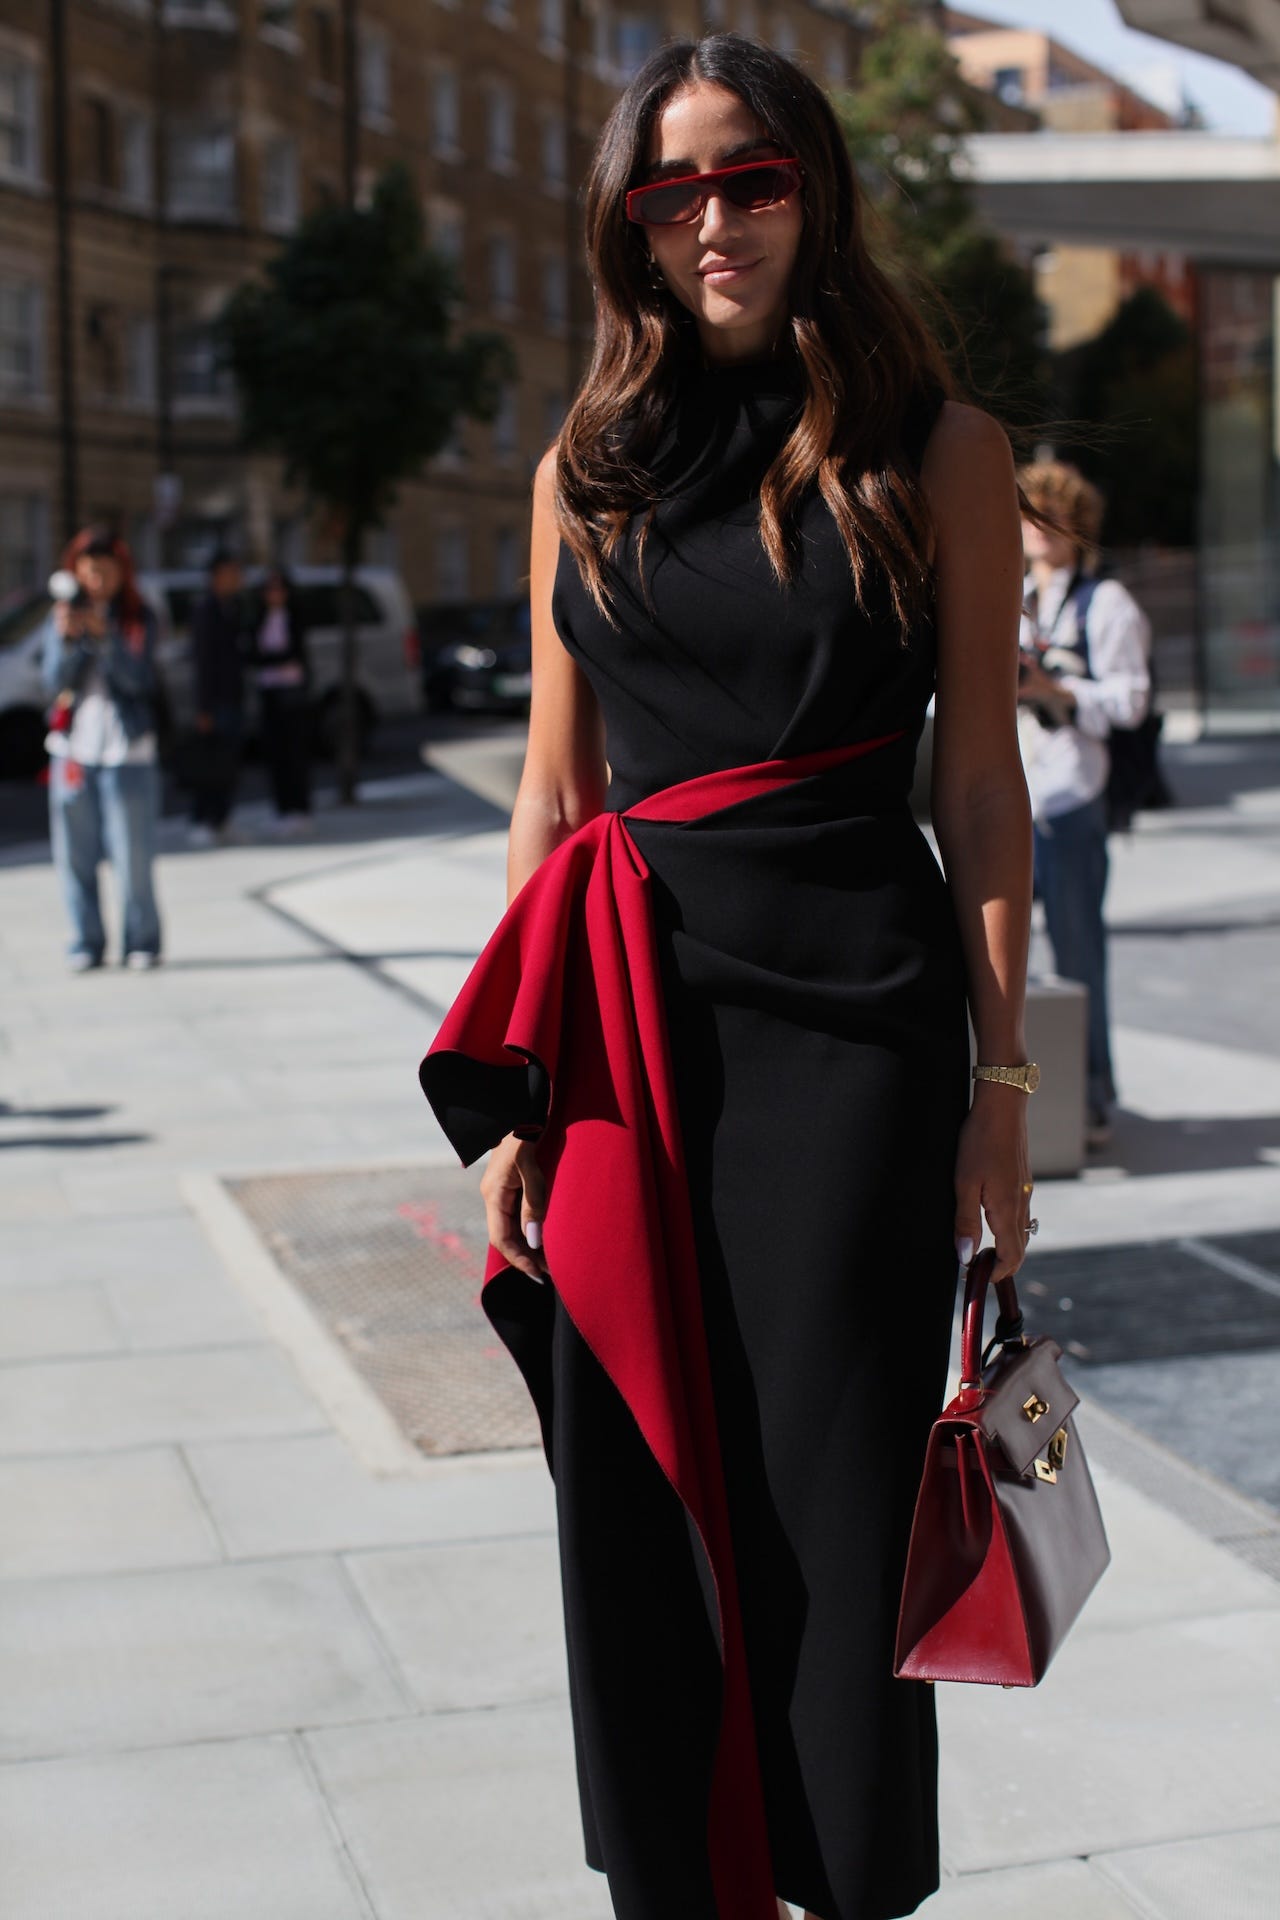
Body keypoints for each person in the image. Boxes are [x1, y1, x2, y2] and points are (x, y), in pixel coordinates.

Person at [420, 32, 1036, 1920]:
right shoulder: (580, 468)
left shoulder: (939, 448)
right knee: (637, 1492)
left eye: (750, 179)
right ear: (626, 222)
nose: (714, 221)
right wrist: (520, 1099)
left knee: (834, 1507)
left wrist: (1002, 1095)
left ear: (815, 190)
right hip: (619, 1036)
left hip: (853, 1030)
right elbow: (550, 794)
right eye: (670, 189)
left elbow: (983, 791)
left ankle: (847, 1887)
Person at [1017, 459, 1151, 1148]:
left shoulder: (1107, 604)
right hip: (1011, 796)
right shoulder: (1006, 596)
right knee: (996, 959)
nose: (1039, 530)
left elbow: (1131, 702)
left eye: (1052, 515)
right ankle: (1005, 1102)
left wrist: (1054, 691)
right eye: (1029, 513)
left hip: (1072, 797)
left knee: (1078, 954)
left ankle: (1091, 1097)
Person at [41, 527, 164, 972]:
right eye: (89, 571)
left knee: (133, 855)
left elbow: (138, 680)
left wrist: (105, 636)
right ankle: (86, 942)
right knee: (75, 855)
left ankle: (142, 940)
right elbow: (54, 682)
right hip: (74, 748)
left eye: (105, 571)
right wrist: (71, 640)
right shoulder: (62, 616)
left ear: (120, 574)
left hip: (126, 750)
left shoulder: (137, 618)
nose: (96, 580)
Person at [245, 567, 313, 834]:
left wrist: (271, 659)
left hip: (292, 693)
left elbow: (292, 653)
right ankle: (283, 808)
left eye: (279, 589)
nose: (274, 595)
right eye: (269, 590)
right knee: (275, 753)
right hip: (269, 692)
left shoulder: (294, 618)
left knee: (295, 752)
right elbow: (255, 655)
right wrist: (273, 659)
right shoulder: (260, 618)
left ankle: (300, 808)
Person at [187, 549, 246, 847]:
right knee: (209, 762)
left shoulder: (232, 607)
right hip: (214, 699)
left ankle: (222, 818)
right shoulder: (205, 609)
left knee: (228, 762)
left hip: (233, 696)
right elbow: (203, 661)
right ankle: (203, 819)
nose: (237, 579)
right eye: (231, 572)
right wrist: (203, 707)